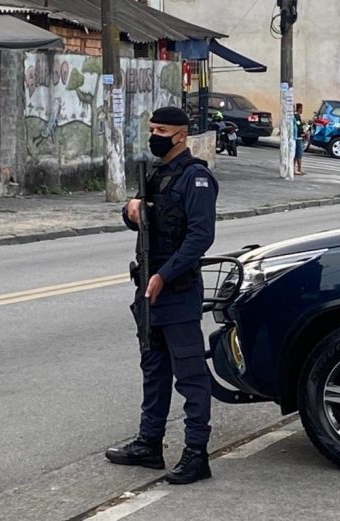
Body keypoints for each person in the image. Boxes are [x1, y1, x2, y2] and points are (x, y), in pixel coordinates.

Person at [107, 106, 218, 485]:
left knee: (190, 375)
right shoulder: (153, 173)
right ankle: (149, 444)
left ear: (181, 136)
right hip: (148, 289)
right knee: (154, 371)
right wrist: (131, 210)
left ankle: (196, 454)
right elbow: (141, 220)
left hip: (178, 290)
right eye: (152, 128)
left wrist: (165, 275)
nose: (154, 135)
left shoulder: (196, 178)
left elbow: (200, 237)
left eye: (162, 130)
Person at [294, 103, 306, 176]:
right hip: (298, 137)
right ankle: (299, 169)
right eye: (301, 108)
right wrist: (303, 133)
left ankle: (294, 169)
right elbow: (298, 127)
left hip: (296, 137)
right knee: (299, 154)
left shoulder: (295, 116)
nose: (302, 110)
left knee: (295, 154)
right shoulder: (297, 116)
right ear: (299, 109)